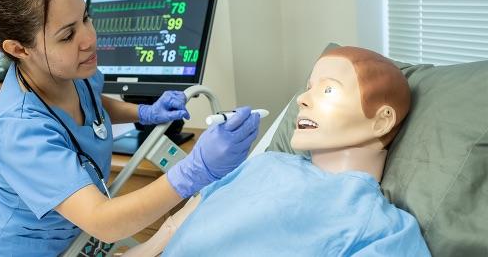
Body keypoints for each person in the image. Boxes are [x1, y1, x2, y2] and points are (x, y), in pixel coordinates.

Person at [0, 0, 260, 256]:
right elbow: (103, 221)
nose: (89, 40)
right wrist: (196, 170)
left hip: (73, 236)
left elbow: (92, 102)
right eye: (67, 35)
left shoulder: (72, 70)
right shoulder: (20, 131)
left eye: (86, 19)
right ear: (18, 49)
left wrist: (144, 113)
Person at [123, 46, 431, 256]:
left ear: (382, 120)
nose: (303, 99)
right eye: (309, 87)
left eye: (327, 90)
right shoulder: (264, 163)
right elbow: (174, 227)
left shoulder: (383, 228)